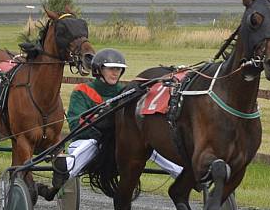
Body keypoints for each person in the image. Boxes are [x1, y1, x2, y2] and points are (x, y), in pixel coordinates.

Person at [53, 48, 182, 189]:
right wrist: (102, 126)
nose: (115, 73)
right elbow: (75, 125)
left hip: (120, 144)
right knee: (92, 144)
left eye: (119, 69)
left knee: (149, 142)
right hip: (89, 143)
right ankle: (64, 170)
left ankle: (184, 173)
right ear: (99, 69)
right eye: (111, 69)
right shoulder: (82, 91)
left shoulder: (127, 91)